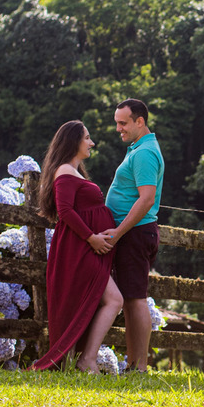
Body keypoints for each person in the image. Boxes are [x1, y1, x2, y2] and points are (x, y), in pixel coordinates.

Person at [32, 121, 125, 373]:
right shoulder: (63, 170)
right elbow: (65, 211)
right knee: (114, 299)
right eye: (87, 138)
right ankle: (86, 360)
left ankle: (84, 360)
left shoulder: (72, 171)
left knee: (108, 300)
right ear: (73, 141)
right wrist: (91, 238)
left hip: (84, 248)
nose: (91, 142)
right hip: (79, 248)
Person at [100, 98, 164, 373]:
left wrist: (117, 231)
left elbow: (146, 199)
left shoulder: (145, 153)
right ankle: (133, 364)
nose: (118, 129)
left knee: (136, 299)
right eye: (117, 123)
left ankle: (139, 367)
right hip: (133, 234)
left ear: (140, 121)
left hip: (135, 234)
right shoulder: (138, 148)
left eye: (123, 123)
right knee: (129, 298)